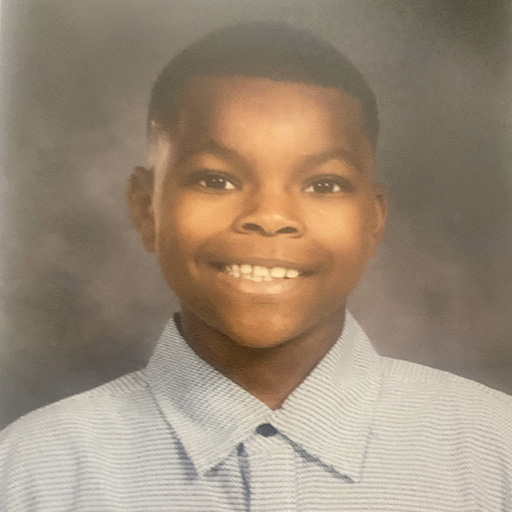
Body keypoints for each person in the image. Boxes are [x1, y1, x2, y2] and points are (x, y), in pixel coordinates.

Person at [1, 21, 511, 511]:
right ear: (146, 207)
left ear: (372, 220)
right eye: (216, 180)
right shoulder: (30, 472)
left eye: (324, 185)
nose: (270, 218)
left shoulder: (495, 454)